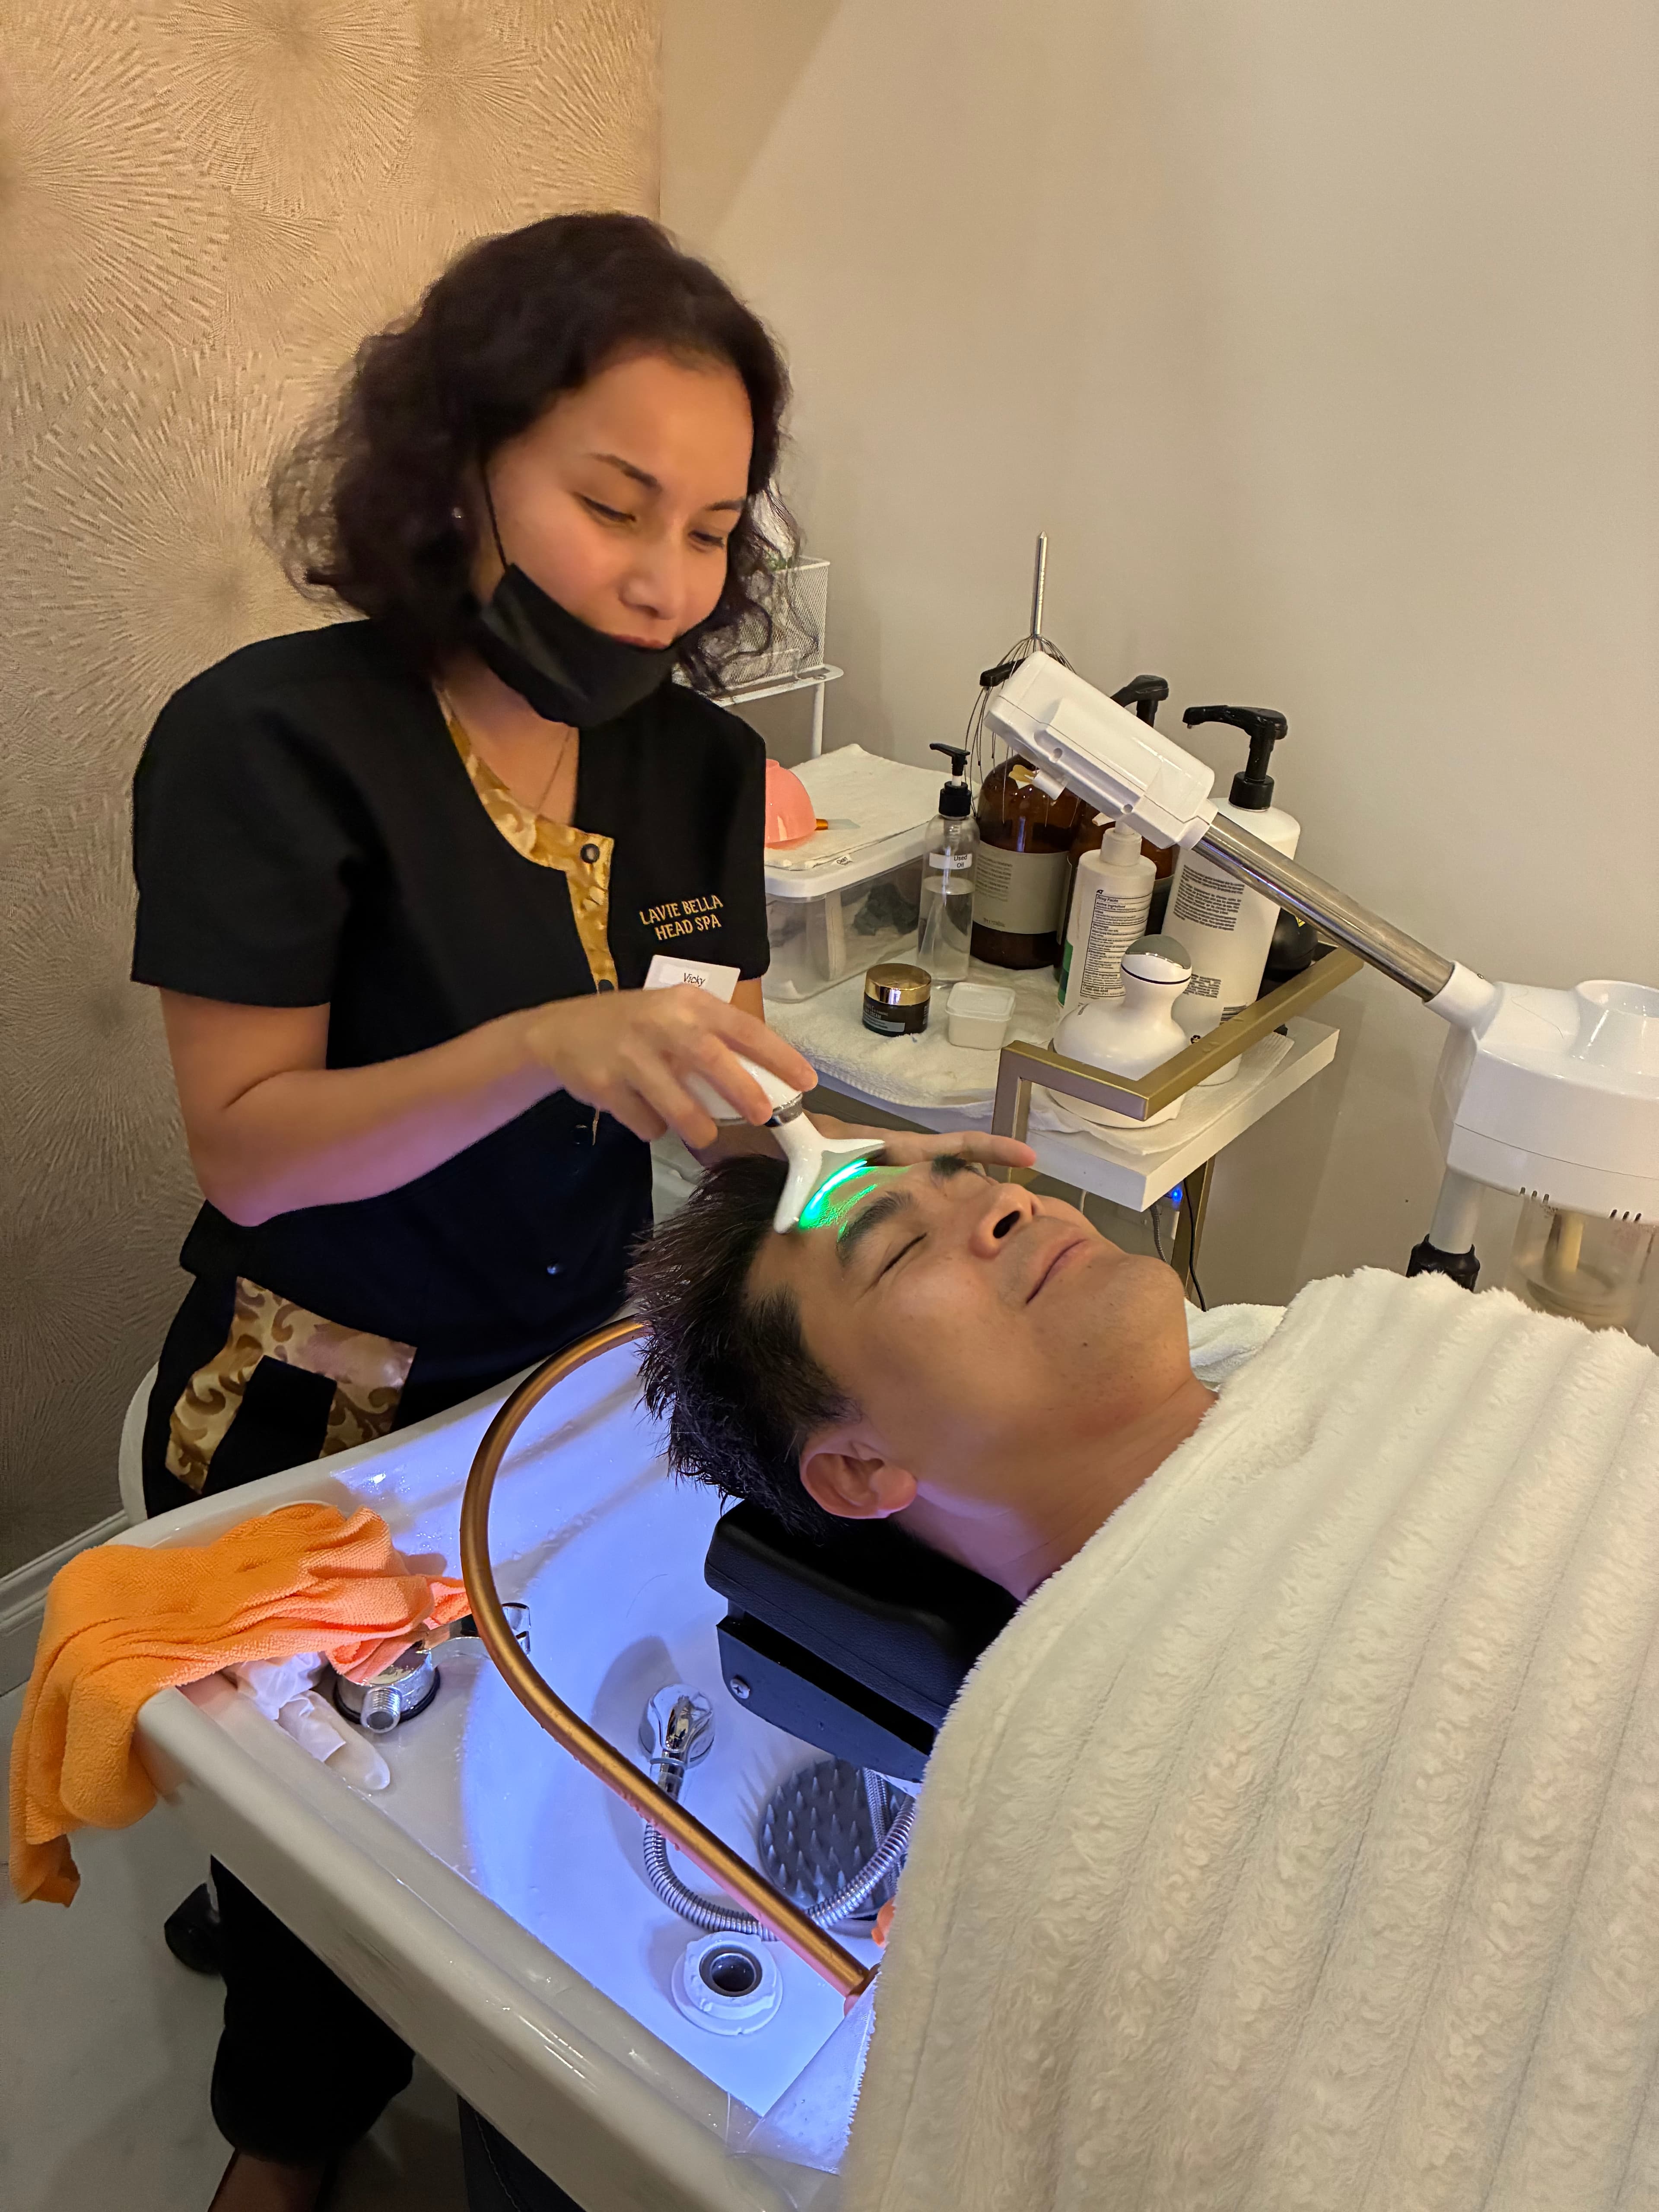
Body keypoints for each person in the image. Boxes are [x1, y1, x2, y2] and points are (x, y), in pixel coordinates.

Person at [129, 214, 1029, 2212]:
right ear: (456, 470)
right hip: (323, 1380)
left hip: (560, 1356)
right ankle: (281, 2138)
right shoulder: (269, 740)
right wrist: (547, 1036)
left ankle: (329, 1976)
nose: (661, 576)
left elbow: (705, 1085)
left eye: (712, 527)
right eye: (612, 501)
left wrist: (875, 1200)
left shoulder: (692, 760)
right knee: (324, 1845)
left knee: (484, 1797)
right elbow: (254, 1149)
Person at [633, 1154, 1659, 2212]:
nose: (1002, 1203)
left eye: (970, 1175)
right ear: (859, 1468)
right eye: (900, 1246)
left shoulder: (1374, 1339)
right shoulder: (1076, 1814)